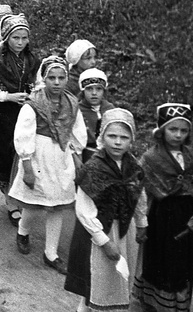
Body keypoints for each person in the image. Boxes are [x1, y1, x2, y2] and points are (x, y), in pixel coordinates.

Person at [65, 108, 148, 312]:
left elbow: (138, 196)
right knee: (97, 281)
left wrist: (141, 223)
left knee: (116, 280)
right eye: (112, 136)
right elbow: (84, 210)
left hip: (123, 230)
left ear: (131, 140)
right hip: (99, 233)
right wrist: (104, 241)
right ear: (102, 137)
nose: (118, 142)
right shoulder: (93, 168)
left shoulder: (134, 166)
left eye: (124, 137)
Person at [10, 55, 87, 274]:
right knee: (35, 200)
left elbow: (76, 132)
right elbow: (23, 134)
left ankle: (51, 253)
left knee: (58, 204)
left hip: (61, 157)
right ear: (44, 78)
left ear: (67, 78)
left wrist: (75, 155)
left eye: (61, 77)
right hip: (38, 155)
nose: (56, 82)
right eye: (51, 77)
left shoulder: (72, 103)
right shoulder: (34, 104)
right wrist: (26, 165)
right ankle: (23, 231)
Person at [134, 102, 193, 312]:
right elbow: (141, 190)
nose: (178, 135)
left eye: (183, 130)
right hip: (162, 215)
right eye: (173, 129)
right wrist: (142, 222)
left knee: (183, 259)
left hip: (188, 213)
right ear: (161, 130)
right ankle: (156, 303)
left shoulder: (192, 155)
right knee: (163, 258)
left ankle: (179, 302)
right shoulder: (151, 158)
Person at [0, 13, 41, 228]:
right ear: (6, 38)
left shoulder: (32, 60)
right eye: (16, 38)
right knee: (6, 155)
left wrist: (32, 96)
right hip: (4, 115)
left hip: (27, 113)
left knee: (23, 154)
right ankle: (11, 203)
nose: (20, 43)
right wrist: (8, 97)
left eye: (24, 38)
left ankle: (20, 196)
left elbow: (40, 84)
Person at [77, 69, 115, 162]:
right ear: (83, 91)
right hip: (85, 154)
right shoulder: (77, 110)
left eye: (98, 89)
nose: (94, 93)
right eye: (89, 89)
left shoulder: (109, 108)